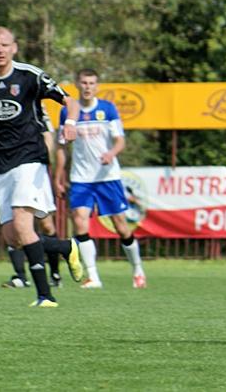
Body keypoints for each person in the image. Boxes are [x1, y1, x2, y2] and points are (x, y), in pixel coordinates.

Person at [0, 26, 84, 307]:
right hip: (0, 164)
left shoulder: (29, 75)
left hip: (30, 158)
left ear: (14, 47)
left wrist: (70, 122)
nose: (0, 50)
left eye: (5, 45)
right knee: (13, 237)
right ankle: (65, 246)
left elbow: (69, 100)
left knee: (23, 224)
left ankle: (45, 296)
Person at [54, 68, 147, 289]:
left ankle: (138, 270)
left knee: (121, 227)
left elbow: (120, 140)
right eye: (84, 82)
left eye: (91, 83)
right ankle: (93, 277)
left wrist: (111, 153)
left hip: (108, 177)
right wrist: (58, 176)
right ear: (77, 84)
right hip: (81, 178)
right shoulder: (68, 112)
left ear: (97, 86)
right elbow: (61, 147)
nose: (87, 87)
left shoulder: (107, 109)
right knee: (79, 222)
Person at [1, 105, 63, 288]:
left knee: (46, 224)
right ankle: (21, 276)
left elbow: (48, 137)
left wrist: (43, 163)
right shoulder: (1, 106)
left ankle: (55, 273)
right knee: (14, 225)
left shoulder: (37, 107)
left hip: (34, 171)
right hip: (8, 169)